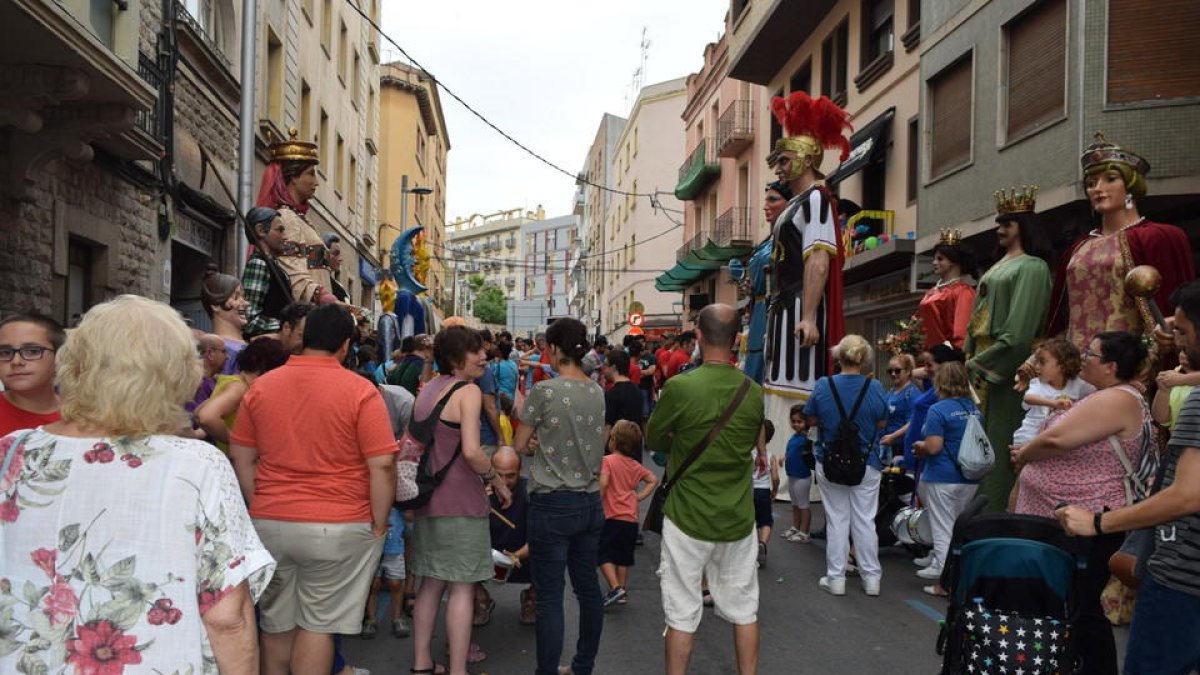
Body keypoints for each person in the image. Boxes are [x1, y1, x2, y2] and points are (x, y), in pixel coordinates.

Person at [0, 295, 274, 673]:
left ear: (75, 365)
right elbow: (228, 616)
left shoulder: (14, 452)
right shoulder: (197, 465)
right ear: (173, 374)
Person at [229, 304, 397, 675]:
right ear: (345, 344)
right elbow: (382, 465)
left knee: (275, 624)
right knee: (318, 625)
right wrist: (380, 521)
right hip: (338, 523)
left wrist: (260, 502)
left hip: (271, 520)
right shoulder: (360, 391)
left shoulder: (262, 387)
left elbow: (242, 456)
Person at [1056, 281, 1200, 675]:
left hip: (1183, 581)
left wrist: (1098, 522)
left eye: (1184, 333)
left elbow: (1187, 494)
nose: (1177, 342)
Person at [1012, 331, 1153, 675]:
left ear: (1111, 366)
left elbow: (1058, 439)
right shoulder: (1105, 395)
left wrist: (1025, 455)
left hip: (1086, 524)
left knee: (1080, 607)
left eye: (1091, 354)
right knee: (1069, 605)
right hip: (1067, 522)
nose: (1083, 359)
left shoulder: (1116, 398)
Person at [646, 304, 765, 675]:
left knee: (682, 611)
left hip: (687, 515)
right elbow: (751, 439)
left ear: (698, 335)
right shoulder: (753, 390)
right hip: (737, 515)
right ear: (737, 340)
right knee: (745, 609)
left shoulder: (680, 387)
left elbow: (654, 438)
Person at [408, 326, 512, 675]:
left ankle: (422, 662)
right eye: (475, 351)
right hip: (461, 504)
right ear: (456, 358)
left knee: (430, 584)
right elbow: (471, 452)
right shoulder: (466, 392)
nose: (484, 356)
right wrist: (495, 478)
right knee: (462, 589)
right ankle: (457, 668)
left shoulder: (429, 389)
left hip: (427, 502)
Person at [1042, 133, 1194, 367]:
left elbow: (1171, 308)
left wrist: (1153, 355)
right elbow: (1060, 317)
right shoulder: (1078, 248)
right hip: (1075, 370)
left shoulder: (1159, 237)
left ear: (1131, 184)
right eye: (1091, 183)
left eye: (1110, 179)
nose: (1097, 189)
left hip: (1129, 367)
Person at [513, 317, 606, 675]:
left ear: (553, 348)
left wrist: (538, 445)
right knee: (588, 591)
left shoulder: (545, 391)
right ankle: (583, 666)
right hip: (589, 500)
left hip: (551, 503)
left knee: (550, 596)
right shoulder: (597, 390)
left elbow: (520, 445)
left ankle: (547, 671)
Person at [763, 93, 852, 467]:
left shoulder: (816, 199)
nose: (779, 167)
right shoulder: (800, 203)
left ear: (806, 157)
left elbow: (818, 259)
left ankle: (795, 469)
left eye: (784, 159)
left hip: (799, 307)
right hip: (783, 307)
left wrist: (810, 315)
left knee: (796, 387)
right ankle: (776, 463)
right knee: (779, 386)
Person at [964, 187, 1052, 511]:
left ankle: (997, 516)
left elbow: (1019, 332)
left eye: (1009, 223)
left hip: (1004, 372)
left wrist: (981, 363)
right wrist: (968, 356)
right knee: (977, 446)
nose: (1001, 229)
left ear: (1024, 226)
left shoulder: (1032, 267)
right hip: (981, 368)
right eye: (999, 223)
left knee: (1000, 446)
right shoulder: (998, 265)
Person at [805, 334, 888, 597]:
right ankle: (871, 578)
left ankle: (836, 578)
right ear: (864, 359)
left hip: (829, 460)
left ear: (838, 356)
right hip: (867, 461)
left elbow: (811, 418)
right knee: (865, 520)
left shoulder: (823, 385)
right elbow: (882, 423)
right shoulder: (874, 388)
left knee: (837, 520)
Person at [911, 362, 982, 596]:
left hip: (942, 475)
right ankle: (957, 573)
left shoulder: (938, 409)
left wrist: (919, 446)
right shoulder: (973, 408)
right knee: (956, 527)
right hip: (968, 477)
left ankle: (946, 579)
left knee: (943, 529)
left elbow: (933, 447)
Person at [256, 128, 340, 307]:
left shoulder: (301, 219)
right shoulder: (286, 218)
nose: (316, 182)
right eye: (311, 173)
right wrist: (323, 296)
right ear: (293, 177)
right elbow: (292, 272)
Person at [598, 420, 659, 608]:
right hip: (631, 518)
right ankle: (622, 589)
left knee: (601, 553)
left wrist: (596, 499)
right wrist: (638, 496)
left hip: (611, 516)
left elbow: (604, 483)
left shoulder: (607, 461)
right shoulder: (634, 465)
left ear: (613, 441)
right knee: (623, 556)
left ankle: (615, 587)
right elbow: (653, 479)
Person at [194, 338, 290, 452]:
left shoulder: (232, 381)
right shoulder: (240, 388)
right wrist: (238, 443)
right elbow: (206, 417)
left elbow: (198, 413)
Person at [743, 182, 793, 385]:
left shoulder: (791, 238)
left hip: (780, 309)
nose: (766, 206)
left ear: (788, 203)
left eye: (773, 199)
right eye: (766, 200)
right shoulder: (767, 242)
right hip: (760, 310)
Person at [480, 446, 535, 626]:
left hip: (523, 555)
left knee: (552, 552)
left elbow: (542, 536)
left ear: (521, 470)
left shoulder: (531, 492)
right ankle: (481, 599)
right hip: (487, 557)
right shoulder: (478, 491)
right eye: (499, 474)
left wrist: (516, 556)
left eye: (510, 475)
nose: (503, 481)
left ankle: (533, 597)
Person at [1011, 338, 1092, 450]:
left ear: (1063, 365)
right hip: (1029, 436)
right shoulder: (1038, 384)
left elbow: (1097, 393)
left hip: (1056, 441)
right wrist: (1052, 403)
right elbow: (1028, 398)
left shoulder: (1078, 385)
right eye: (1037, 362)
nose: (1037, 367)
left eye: (1042, 362)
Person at [0, 312, 63, 436]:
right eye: (5, 353)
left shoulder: (84, 418)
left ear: (59, 358)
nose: (16, 361)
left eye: (32, 351)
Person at [915, 230, 977, 350]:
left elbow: (962, 333)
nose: (934, 263)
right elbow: (917, 324)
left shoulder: (963, 292)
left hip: (947, 360)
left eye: (940, 259)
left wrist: (952, 357)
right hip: (926, 356)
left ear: (953, 261)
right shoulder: (932, 291)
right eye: (934, 259)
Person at [241, 206, 295, 339]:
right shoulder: (258, 264)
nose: (285, 236)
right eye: (280, 230)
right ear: (260, 230)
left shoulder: (274, 266)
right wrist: (288, 326)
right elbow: (250, 320)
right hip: (266, 351)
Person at [361, 506, 409, 639]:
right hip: (372, 549)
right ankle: (371, 619)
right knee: (373, 584)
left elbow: (410, 515)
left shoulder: (399, 499)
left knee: (396, 583)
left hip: (394, 550)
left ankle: (397, 618)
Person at [201, 265, 250, 375]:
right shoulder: (225, 350)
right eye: (236, 297)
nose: (246, 303)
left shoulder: (237, 347)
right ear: (215, 305)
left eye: (244, 297)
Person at [878, 353, 921, 468]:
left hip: (900, 447)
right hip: (886, 445)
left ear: (908, 372)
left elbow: (912, 422)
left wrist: (893, 437)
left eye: (897, 371)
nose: (893, 374)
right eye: (890, 371)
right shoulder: (891, 391)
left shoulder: (912, 394)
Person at [780, 404, 814, 543]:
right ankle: (796, 527)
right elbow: (791, 451)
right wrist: (784, 457)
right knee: (795, 503)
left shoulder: (808, 437)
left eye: (799, 422)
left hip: (802, 476)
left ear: (806, 422)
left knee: (803, 504)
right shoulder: (794, 437)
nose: (796, 424)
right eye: (793, 421)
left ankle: (804, 532)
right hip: (792, 475)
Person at [751, 420, 780, 568]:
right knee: (766, 521)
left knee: (749, 522)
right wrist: (774, 490)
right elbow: (775, 477)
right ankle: (762, 543)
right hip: (763, 492)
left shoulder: (749, 453)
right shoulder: (771, 456)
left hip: (749, 491)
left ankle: (748, 552)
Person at [604, 351, 644, 447]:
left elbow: (607, 427)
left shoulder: (612, 394)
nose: (604, 370)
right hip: (634, 451)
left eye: (606, 366)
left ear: (613, 367)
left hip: (617, 453)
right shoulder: (638, 392)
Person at [1152, 349, 1200, 430]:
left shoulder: (1178, 379)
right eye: (1182, 350)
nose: (1183, 355)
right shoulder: (1174, 381)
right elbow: (1161, 418)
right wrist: (1163, 391)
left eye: (1189, 350)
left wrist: (1182, 379)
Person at [188, 334, 227, 414]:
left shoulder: (213, 381)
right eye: (224, 352)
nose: (227, 357)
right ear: (210, 354)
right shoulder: (196, 385)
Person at [321, 232, 350, 303]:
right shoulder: (317, 285)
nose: (340, 259)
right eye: (336, 253)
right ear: (325, 254)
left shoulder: (340, 288)